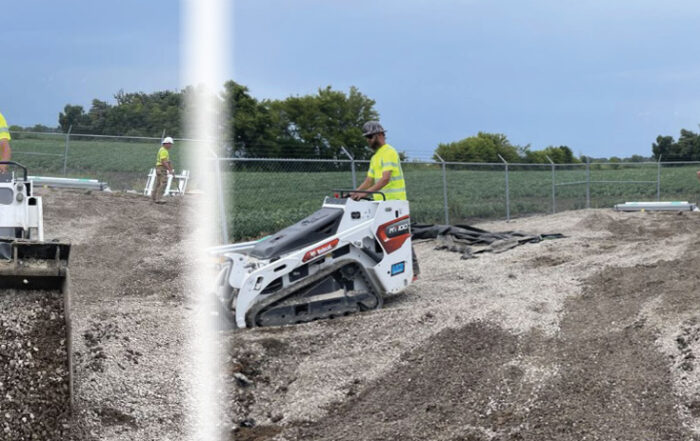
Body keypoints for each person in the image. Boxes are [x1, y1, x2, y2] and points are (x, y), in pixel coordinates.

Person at [351, 121, 419, 279]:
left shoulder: (389, 152)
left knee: (400, 236)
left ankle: (413, 271)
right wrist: (354, 193)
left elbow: (385, 179)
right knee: (381, 237)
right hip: (381, 203)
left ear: (379, 135)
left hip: (395, 202)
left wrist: (364, 194)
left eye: (369, 136)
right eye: (366, 137)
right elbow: (369, 180)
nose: (368, 140)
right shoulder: (375, 157)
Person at [152, 136, 175, 204]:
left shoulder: (162, 150)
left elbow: (167, 161)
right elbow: (164, 162)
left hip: (158, 167)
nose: (171, 146)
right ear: (166, 143)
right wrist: (169, 170)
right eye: (170, 144)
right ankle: (159, 198)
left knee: (158, 183)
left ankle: (154, 197)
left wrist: (171, 168)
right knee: (164, 183)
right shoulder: (164, 151)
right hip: (162, 168)